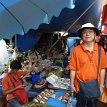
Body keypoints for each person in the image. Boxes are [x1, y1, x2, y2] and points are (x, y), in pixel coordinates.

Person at [68, 23, 107, 107]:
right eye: (84, 32)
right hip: (79, 86)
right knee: (80, 104)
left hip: (94, 86)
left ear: (95, 35)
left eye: (90, 31)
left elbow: (103, 69)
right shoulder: (76, 50)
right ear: (81, 35)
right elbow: (73, 69)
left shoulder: (101, 50)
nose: (87, 34)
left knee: (92, 105)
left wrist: (101, 85)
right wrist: (71, 84)